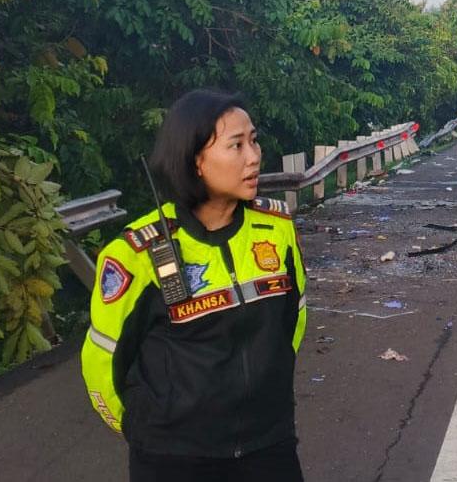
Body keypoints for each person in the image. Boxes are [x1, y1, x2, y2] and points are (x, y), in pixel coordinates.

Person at [81, 89, 307, 482]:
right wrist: (144, 429)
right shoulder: (136, 253)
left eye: (254, 141)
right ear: (195, 160)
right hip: (174, 459)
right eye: (235, 145)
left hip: (268, 446)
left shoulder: (276, 230)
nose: (253, 157)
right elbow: (103, 360)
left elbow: (293, 321)